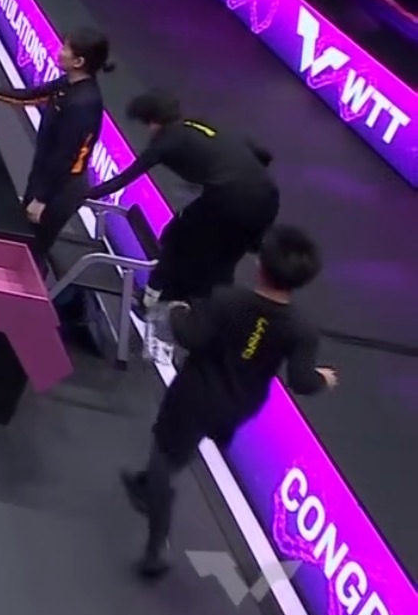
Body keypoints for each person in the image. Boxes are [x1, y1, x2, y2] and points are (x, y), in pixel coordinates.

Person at [122, 226, 335, 579]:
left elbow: (190, 335)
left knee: (165, 454)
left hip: (194, 396)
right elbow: (302, 380)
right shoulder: (302, 328)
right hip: (239, 404)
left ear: (260, 264)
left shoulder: (227, 301)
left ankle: (156, 543)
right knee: (183, 444)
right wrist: (323, 378)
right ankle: (149, 481)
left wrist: (178, 312)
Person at [87, 91, 279, 305]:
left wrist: (83, 194)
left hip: (229, 197)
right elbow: (263, 154)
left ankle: (154, 295)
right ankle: (211, 308)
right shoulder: (199, 126)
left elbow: (122, 180)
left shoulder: (166, 141)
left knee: (174, 235)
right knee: (225, 256)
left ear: (153, 122)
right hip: (268, 198)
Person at [0, 27, 114, 266]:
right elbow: (26, 97)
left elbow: (66, 157)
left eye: (65, 48)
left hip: (60, 189)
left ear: (78, 61)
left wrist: (41, 199)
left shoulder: (83, 104)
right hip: (45, 176)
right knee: (21, 236)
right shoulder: (68, 83)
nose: (59, 51)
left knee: (32, 252)